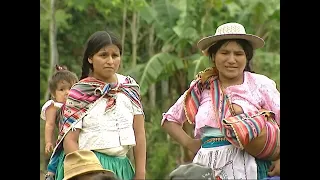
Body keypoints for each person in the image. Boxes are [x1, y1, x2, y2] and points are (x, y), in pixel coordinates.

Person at [161, 22, 280, 179]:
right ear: (213, 56)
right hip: (206, 167)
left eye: (238, 54)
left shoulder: (259, 84)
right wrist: (190, 144)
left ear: (247, 57)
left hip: (250, 165)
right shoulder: (201, 87)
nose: (231, 60)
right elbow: (170, 120)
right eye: (224, 53)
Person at [49, 30, 147, 180]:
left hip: (122, 170)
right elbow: (70, 141)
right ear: (90, 58)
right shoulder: (79, 93)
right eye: (103, 55)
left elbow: (139, 133)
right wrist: (89, 173)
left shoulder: (129, 88)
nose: (110, 61)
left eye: (115, 55)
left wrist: (140, 174)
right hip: (87, 170)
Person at [41, 65, 79, 180]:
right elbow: (49, 124)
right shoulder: (54, 107)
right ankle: (51, 173)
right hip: (64, 138)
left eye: (71, 88)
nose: (67, 93)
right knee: (58, 154)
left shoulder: (80, 105)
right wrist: (48, 142)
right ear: (53, 93)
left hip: (80, 139)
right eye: (62, 89)